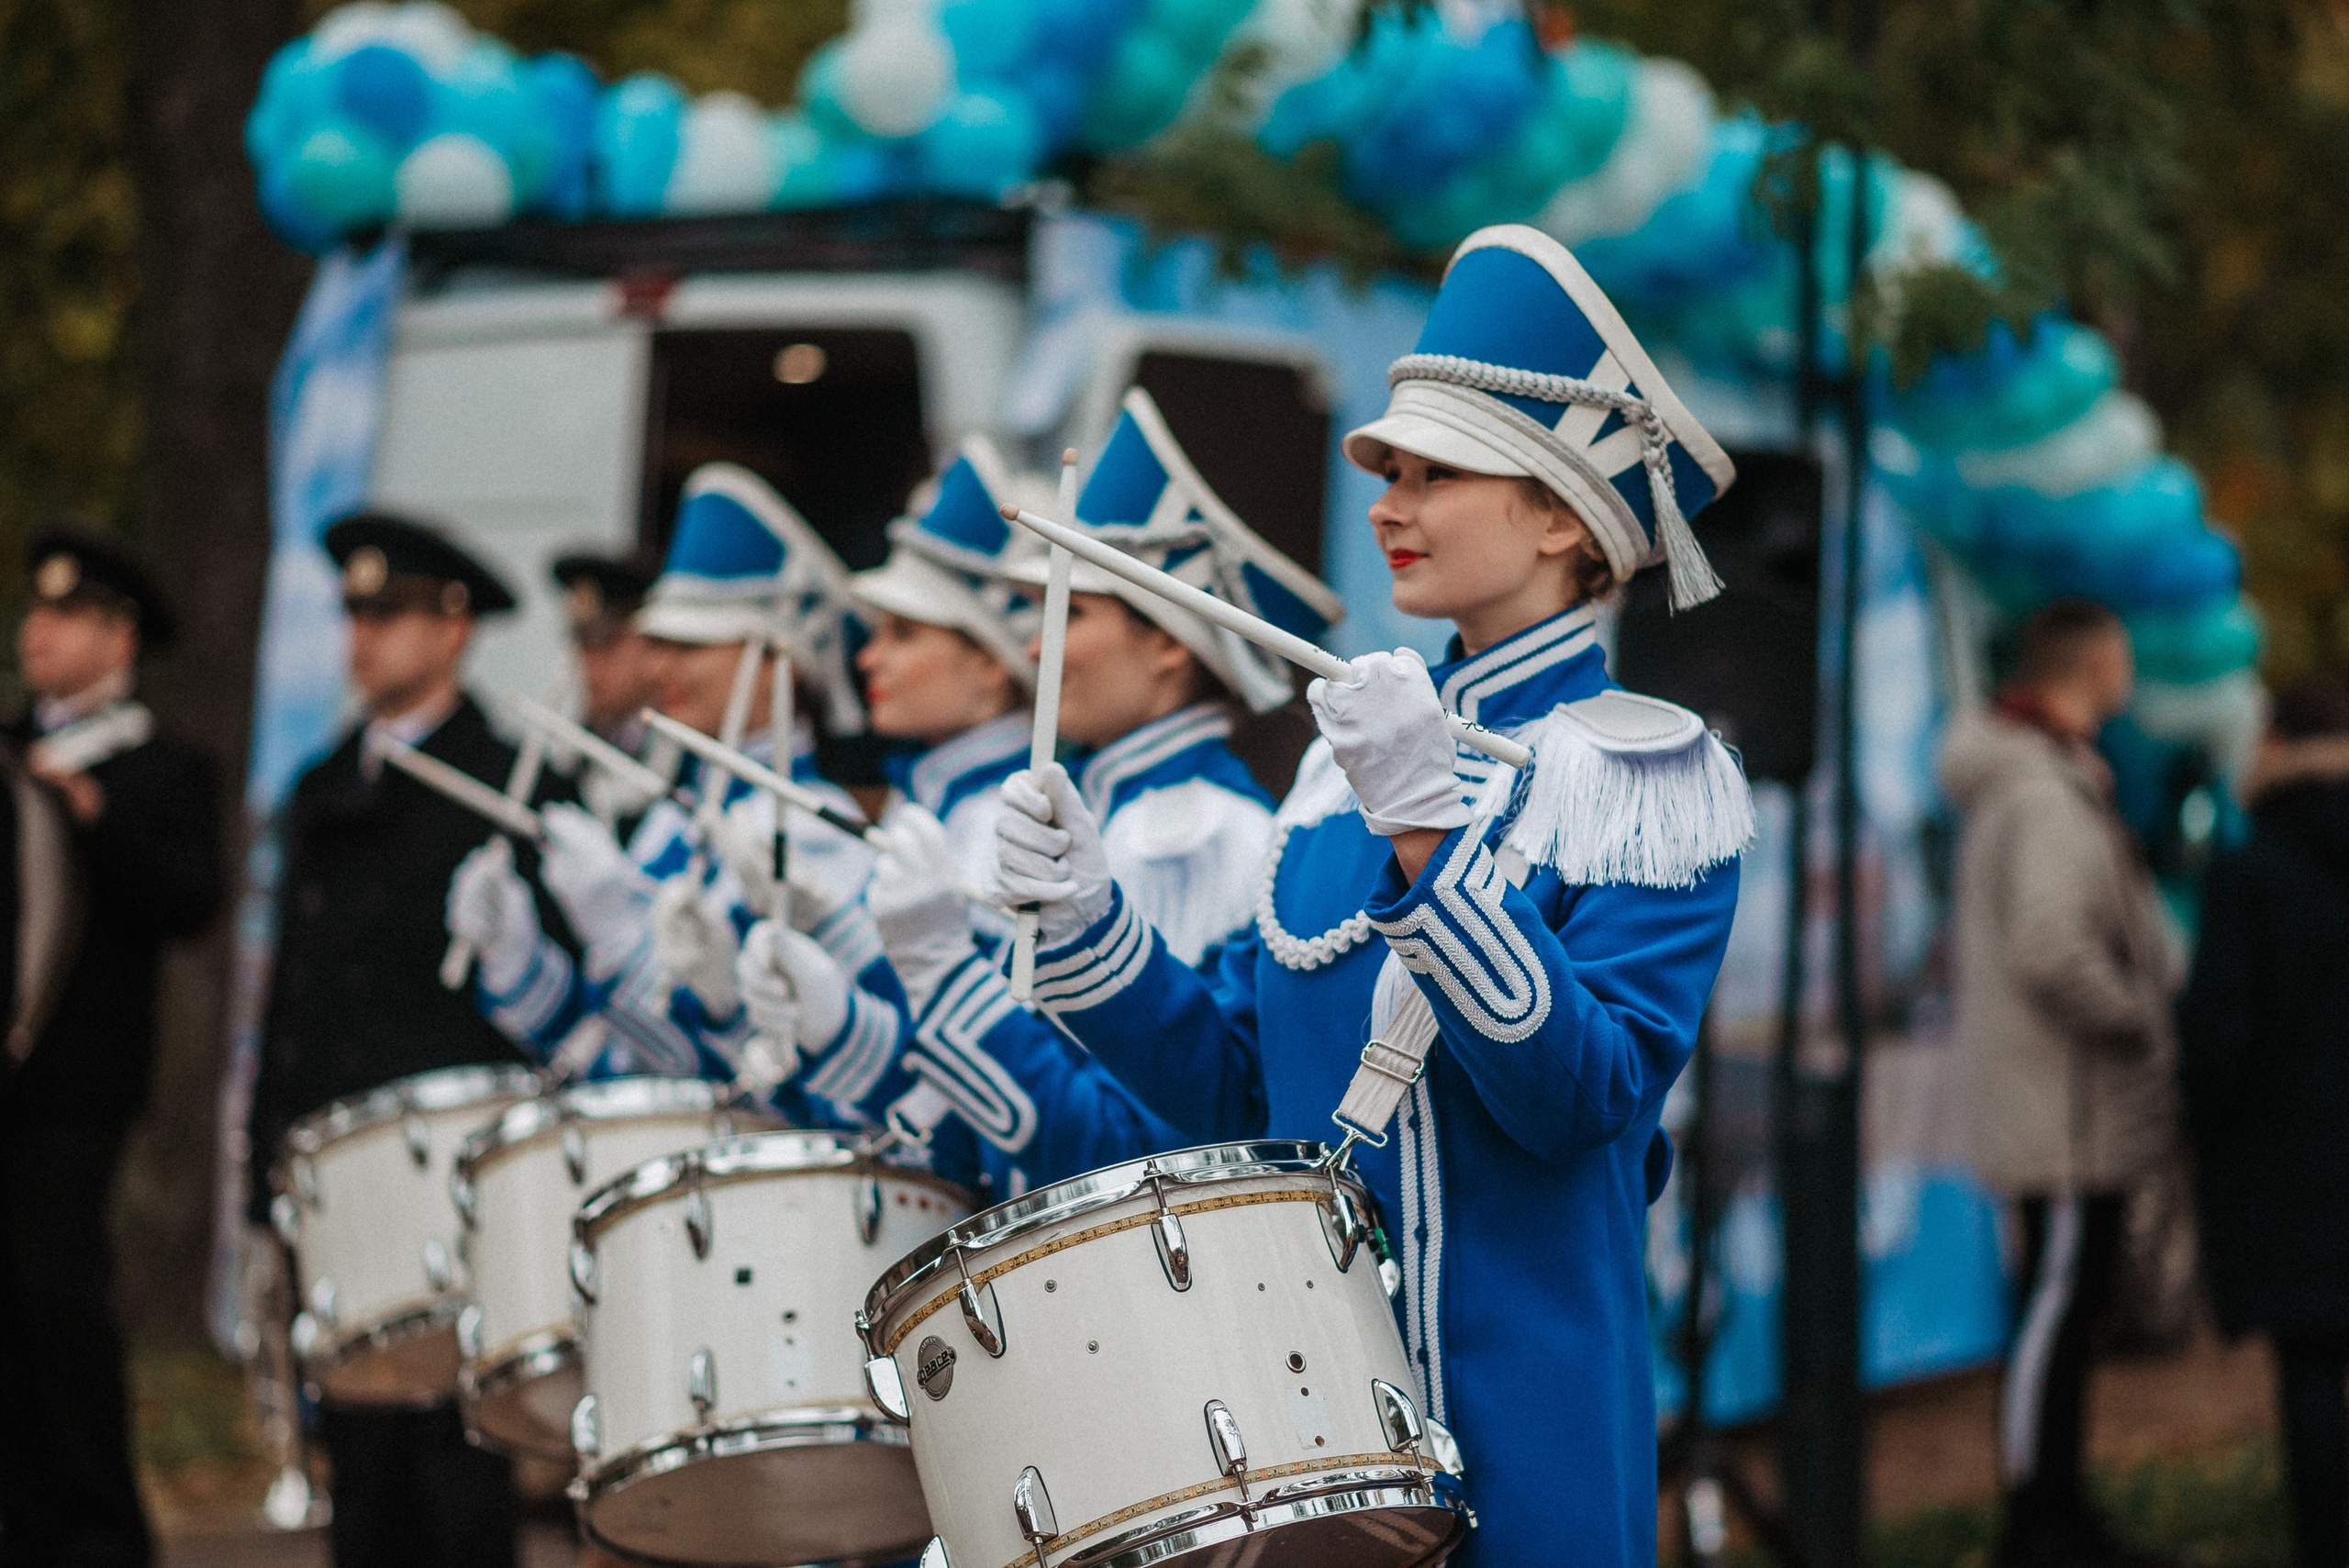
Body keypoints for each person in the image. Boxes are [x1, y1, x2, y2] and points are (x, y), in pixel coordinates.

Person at [990, 225, 1752, 1567]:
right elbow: (1242, 1096)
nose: (1387, 505)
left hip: (1530, 1448)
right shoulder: (1335, 785)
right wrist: (1087, 926)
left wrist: (1430, 840)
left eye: (1435, 473)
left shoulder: (1649, 778)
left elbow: (1584, 1102)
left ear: (1564, 515)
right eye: (1386, 471)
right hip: (1311, 1467)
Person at [731, 438, 1187, 1195]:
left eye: (902, 634)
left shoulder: (1034, 824)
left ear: (987, 662)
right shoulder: (944, 807)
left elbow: (1086, 1138)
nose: (867, 658)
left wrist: (853, 980)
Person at [247, 512, 566, 1568]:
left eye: (388, 613)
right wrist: (267, 1168)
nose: (362, 636)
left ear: (453, 626)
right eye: (353, 612)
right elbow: (292, 998)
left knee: (460, 1479)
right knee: (366, 1490)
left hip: (460, 1185)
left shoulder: (514, 785)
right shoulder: (321, 787)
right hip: (342, 1186)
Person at [451, 463, 893, 1104]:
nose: (659, 664)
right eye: (659, 640)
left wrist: (621, 945)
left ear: (776, 661)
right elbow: (612, 1056)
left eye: (691, 642)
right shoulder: (675, 818)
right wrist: (521, 964)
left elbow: (758, 1086)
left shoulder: (812, 830)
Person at [1940, 597, 2182, 1568]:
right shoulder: (2039, 788)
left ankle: (2060, 1516)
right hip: (2062, 1111)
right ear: (2093, 662)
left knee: (2070, 1311)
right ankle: (2037, 1528)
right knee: (2052, 1313)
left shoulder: (2051, 774)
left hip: (2071, 1107)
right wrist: (2140, 1014)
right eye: (2122, 651)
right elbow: (2051, 944)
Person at [0, 525, 223, 1568]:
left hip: (78, 1082)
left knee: (54, 1290)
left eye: (63, 614)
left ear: (119, 635)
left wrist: (92, 810)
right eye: (35, 611)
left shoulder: (159, 768)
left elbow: (188, 900)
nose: (36, 630)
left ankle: (95, 1531)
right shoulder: (9, 748)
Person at [998, 387, 1343, 965]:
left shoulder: (1192, 838)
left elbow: (1141, 1055)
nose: (1034, 648)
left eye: (1071, 613)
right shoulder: (1111, 804)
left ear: (1166, 645)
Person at [2178, 676, 2349, 1568]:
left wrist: (2206, 1127)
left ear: (2276, 746)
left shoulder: (2252, 872)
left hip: (2291, 1168)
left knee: (2313, 1368)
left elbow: (2216, 1031)